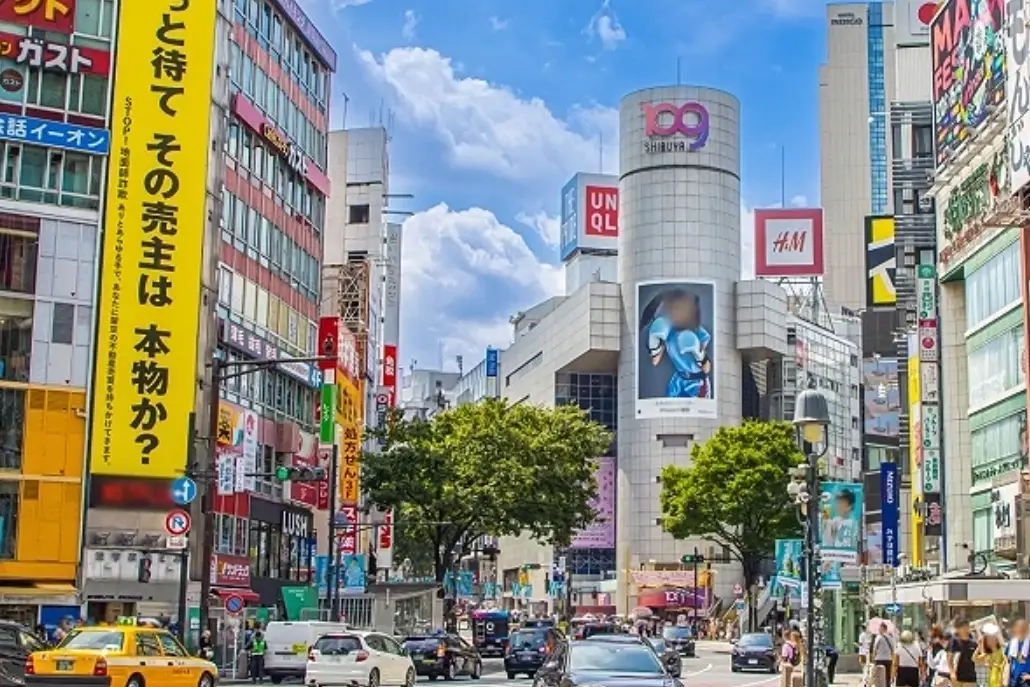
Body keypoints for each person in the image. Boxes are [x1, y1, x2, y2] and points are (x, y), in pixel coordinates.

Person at [947, 618, 978, 687]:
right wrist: (952, 672)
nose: (965, 629)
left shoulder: (973, 643)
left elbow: (977, 658)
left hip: (970, 677)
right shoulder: (954, 641)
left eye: (966, 626)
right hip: (957, 677)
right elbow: (949, 657)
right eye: (962, 627)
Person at [1005, 619, 1030, 687]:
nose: (1020, 630)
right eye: (1018, 627)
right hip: (1014, 679)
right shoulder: (1012, 643)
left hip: (1026, 680)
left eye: (1023, 628)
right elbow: (1007, 660)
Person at [873, 623, 896, 687]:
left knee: (879, 676)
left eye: (880, 628)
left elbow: (875, 648)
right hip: (888, 659)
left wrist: (873, 657)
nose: (878, 629)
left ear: (883, 629)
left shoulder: (878, 637)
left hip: (879, 659)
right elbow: (893, 649)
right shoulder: (890, 638)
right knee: (887, 676)